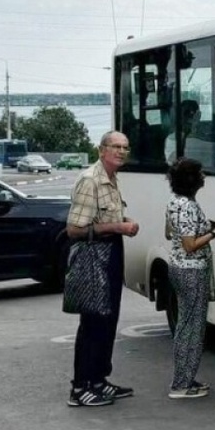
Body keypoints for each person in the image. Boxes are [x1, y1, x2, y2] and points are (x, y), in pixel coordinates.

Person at [65, 131, 140, 407]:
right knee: (93, 321)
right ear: (101, 150)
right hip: (94, 255)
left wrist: (121, 221)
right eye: (115, 147)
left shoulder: (111, 178)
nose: (121, 152)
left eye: (125, 147)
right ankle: (80, 387)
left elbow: (103, 215)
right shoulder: (90, 180)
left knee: (108, 320)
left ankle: (98, 380)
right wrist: (117, 227)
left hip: (111, 252)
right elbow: (74, 229)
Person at [164, 158, 215, 399]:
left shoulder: (175, 203)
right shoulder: (188, 206)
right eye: (200, 173)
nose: (204, 177)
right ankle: (182, 384)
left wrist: (205, 226)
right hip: (192, 269)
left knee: (185, 324)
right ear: (191, 180)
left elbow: (170, 231)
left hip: (178, 267)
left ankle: (185, 379)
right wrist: (213, 233)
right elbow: (190, 244)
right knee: (192, 327)